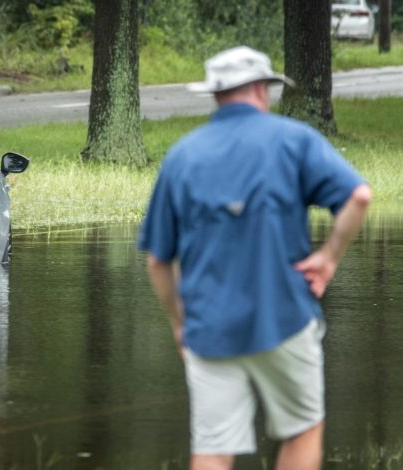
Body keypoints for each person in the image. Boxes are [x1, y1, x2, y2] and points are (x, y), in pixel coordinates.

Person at [138, 46, 372, 470]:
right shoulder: (294, 140)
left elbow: (158, 261)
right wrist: (329, 258)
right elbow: (358, 196)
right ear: (264, 90)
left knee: (212, 449)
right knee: (303, 429)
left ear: (216, 95)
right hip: (285, 318)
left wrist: (180, 324)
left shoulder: (181, 157)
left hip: (209, 328)